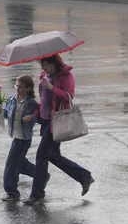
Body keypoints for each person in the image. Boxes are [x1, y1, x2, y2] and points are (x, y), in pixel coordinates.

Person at [23, 54, 94, 205]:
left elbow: (68, 97)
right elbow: (43, 100)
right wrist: (35, 115)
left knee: (41, 156)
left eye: (46, 65)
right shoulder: (44, 75)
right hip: (46, 121)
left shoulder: (65, 76)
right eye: (42, 65)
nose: (43, 68)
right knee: (54, 156)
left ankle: (36, 193)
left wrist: (52, 88)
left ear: (55, 64)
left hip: (57, 122)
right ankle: (84, 176)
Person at [0, 75, 48, 201]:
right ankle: (41, 174)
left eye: (20, 87)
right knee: (19, 163)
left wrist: (32, 117)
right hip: (15, 135)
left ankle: (12, 192)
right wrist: (0, 111)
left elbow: (40, 117)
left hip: (24, 138)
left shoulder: (32, 104)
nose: (17, 89)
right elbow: (6, 114)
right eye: (16, 86)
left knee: (11, 164)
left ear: (28, 88)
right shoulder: (11, 99)